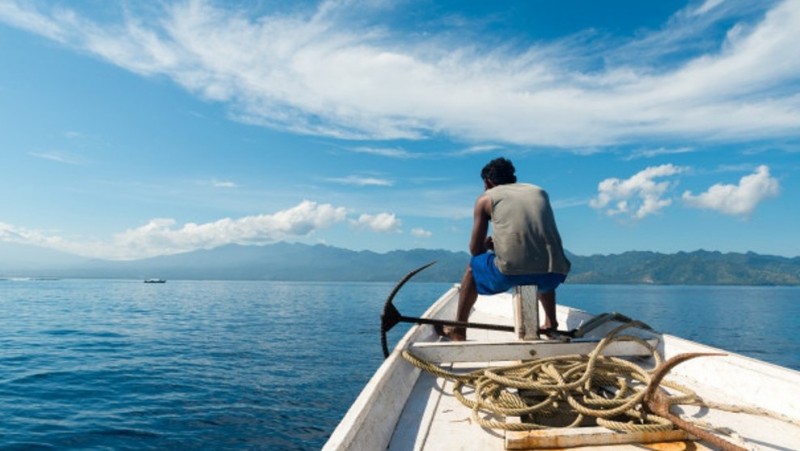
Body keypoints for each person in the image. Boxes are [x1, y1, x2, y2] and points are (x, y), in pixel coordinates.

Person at [442, 157, 571, 341]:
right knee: (541, 259)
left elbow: (475, 251)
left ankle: (459, 330)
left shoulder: (486, 198)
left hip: (510, 273)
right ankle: (551, 323)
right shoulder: (540, 192)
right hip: (554, 275)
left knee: (472, 267)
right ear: (513, 179)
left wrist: (488, 245)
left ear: (488, 182)